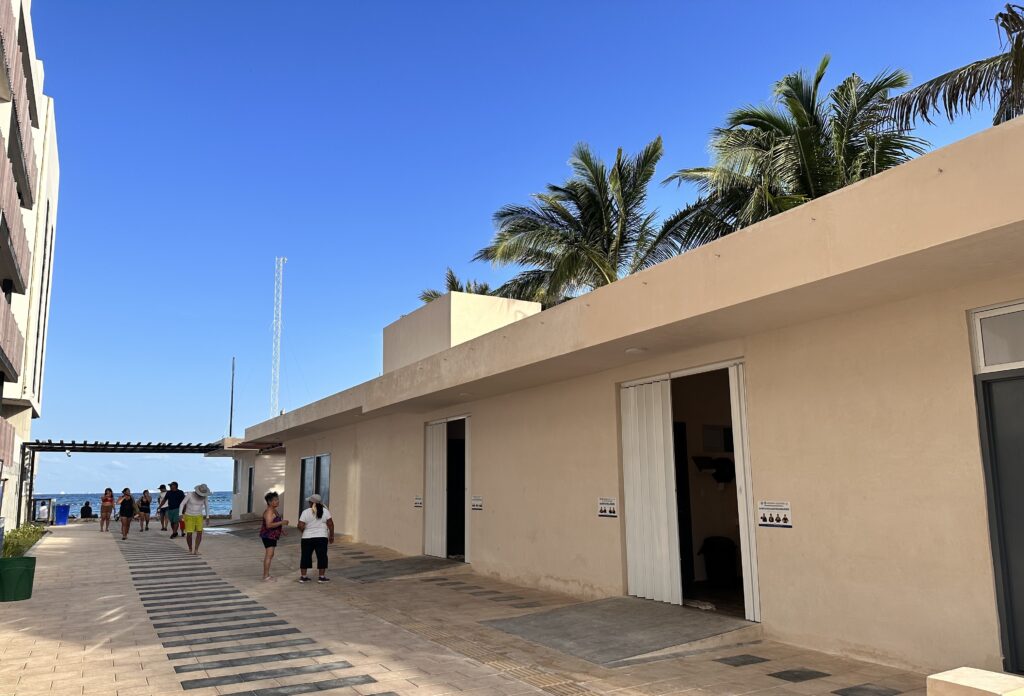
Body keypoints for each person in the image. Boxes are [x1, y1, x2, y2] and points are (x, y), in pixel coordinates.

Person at [297, 494, 334, 583]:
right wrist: (331, 536)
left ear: (311, 502)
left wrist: (304, 532)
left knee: (305, 556)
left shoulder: (305, 512)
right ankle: (321, 577)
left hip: (307, 538)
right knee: (322, 556)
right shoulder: (325, 511)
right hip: (322, 537)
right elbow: (331, 525)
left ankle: (303, 577)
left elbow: (300, 525)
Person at [259, 491, 289, 581]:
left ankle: (266, 574)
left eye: (277, 499)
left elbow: (274, 523)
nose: (277, 501)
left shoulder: (274, 510)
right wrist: (282, 522)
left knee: (271, 555)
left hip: (272, 536)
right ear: (269, 502)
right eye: (275, 500)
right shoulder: (269, 512)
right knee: (269, 555)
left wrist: (281, 530)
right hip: (268, 536)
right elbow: (268, 525)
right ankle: (266, 576)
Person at [179, 483, 211, 555]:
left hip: (199, 516)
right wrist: (180, 514)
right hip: (189, 516)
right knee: (189, 533)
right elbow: (182, 504)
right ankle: (190, 549)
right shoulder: (190, 494)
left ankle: (196, 550)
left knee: (199, 533)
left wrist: (207, 517)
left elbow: (207, 506)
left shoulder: (205, 496)